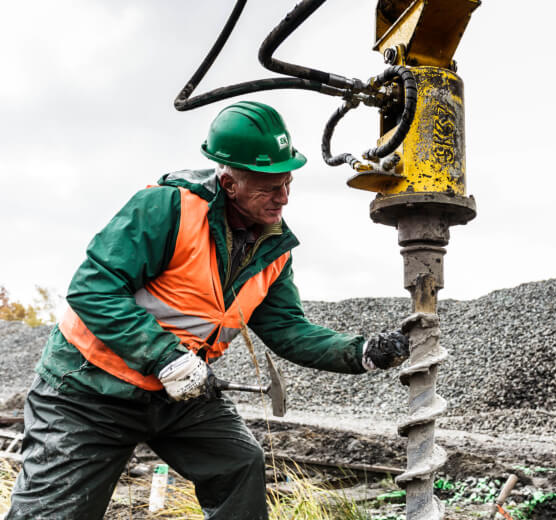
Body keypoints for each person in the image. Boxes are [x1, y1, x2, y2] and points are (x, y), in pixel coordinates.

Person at [6, 101, 409, 519]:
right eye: (270, 186)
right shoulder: (168, 209)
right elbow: (93, 290)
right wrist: (167, 358)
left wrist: (361, 351)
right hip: (88, 392)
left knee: (239, 463)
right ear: (229, 180)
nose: (283, 197)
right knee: (52, 513)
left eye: (288, 182)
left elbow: (288, 328)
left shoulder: (272, 249)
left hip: (177, 394)